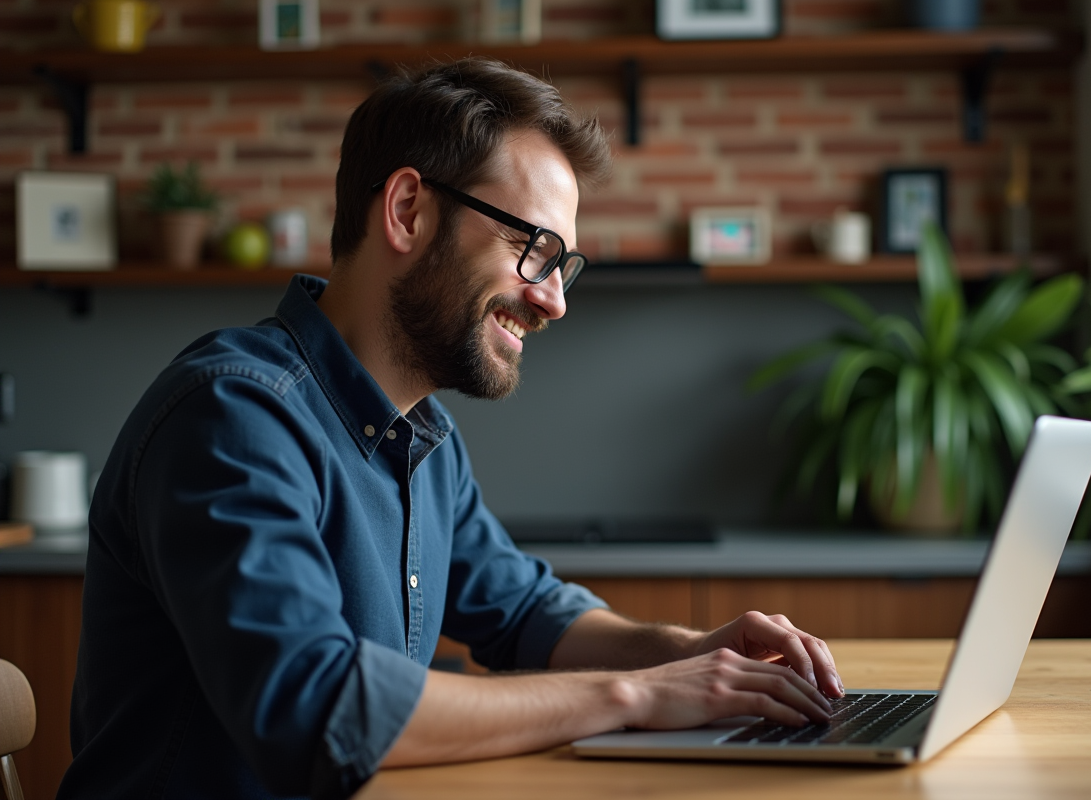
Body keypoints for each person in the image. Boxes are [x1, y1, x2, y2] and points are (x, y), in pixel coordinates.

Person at [58, 59, 843, 800]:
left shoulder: (421, 439)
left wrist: (690, 654)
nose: (554, 301)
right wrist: (635, 694)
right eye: (531, 248)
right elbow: (315, 708)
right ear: (407, 211)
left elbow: (526, 612)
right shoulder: (233, 414)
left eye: (563, 265)